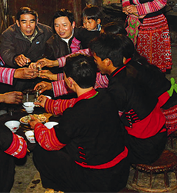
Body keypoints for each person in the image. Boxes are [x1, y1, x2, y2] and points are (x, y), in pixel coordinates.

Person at [30, 55, 129, 193]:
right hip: (121, 170)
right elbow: (73, 103)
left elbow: (49, 142)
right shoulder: (105, 95)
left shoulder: (75, 115)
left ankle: (61, 188)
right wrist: (49, 104)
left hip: (96, 180)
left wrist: (37, 126)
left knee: (41, 152)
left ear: (70, 81)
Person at [90, 34, 167, 164]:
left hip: (144, 148)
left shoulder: (118, 87)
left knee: (98, 132)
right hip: (160, 135)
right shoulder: (130, 69)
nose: (95, 63)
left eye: (96, 60)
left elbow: (110, 117)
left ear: (107, 61)